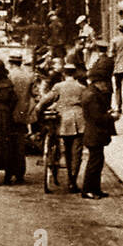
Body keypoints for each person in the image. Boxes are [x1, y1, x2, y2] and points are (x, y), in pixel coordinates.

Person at [36, 59, 86, 193]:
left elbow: (45, 101)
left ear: (64, 74)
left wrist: (39, 109)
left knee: (65, 149)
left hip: (64, 120)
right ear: (75, 74)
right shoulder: (81, 88)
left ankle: (65, 172)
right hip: (79, 121)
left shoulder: (58, 86)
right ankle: (72, 181)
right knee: (76, 152)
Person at [81, 67, 114, 199]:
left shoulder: (90, 92)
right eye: (104, 83)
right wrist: (112, 117)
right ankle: (88, 190)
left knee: (98, 161)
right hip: (95, 134)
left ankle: (96, 189)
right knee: (94, 164)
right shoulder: (93, 95)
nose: (105, 85)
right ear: (98, 82)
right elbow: (97, 117)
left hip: (94, 134)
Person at [8, 52, 37, 184]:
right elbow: (35, 94)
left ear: (11, 62)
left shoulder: (9, 76)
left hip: (9, 113)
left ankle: (9, 173)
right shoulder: (29, 76)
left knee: (9, 144)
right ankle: (20, 173)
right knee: (20, 144)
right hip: (23, 113)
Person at [109, 19, 123, 114]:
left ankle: (118, 106)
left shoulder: (114, 40)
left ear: (119, 30)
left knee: (117, 87)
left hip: (117, 65)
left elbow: (111, 54)